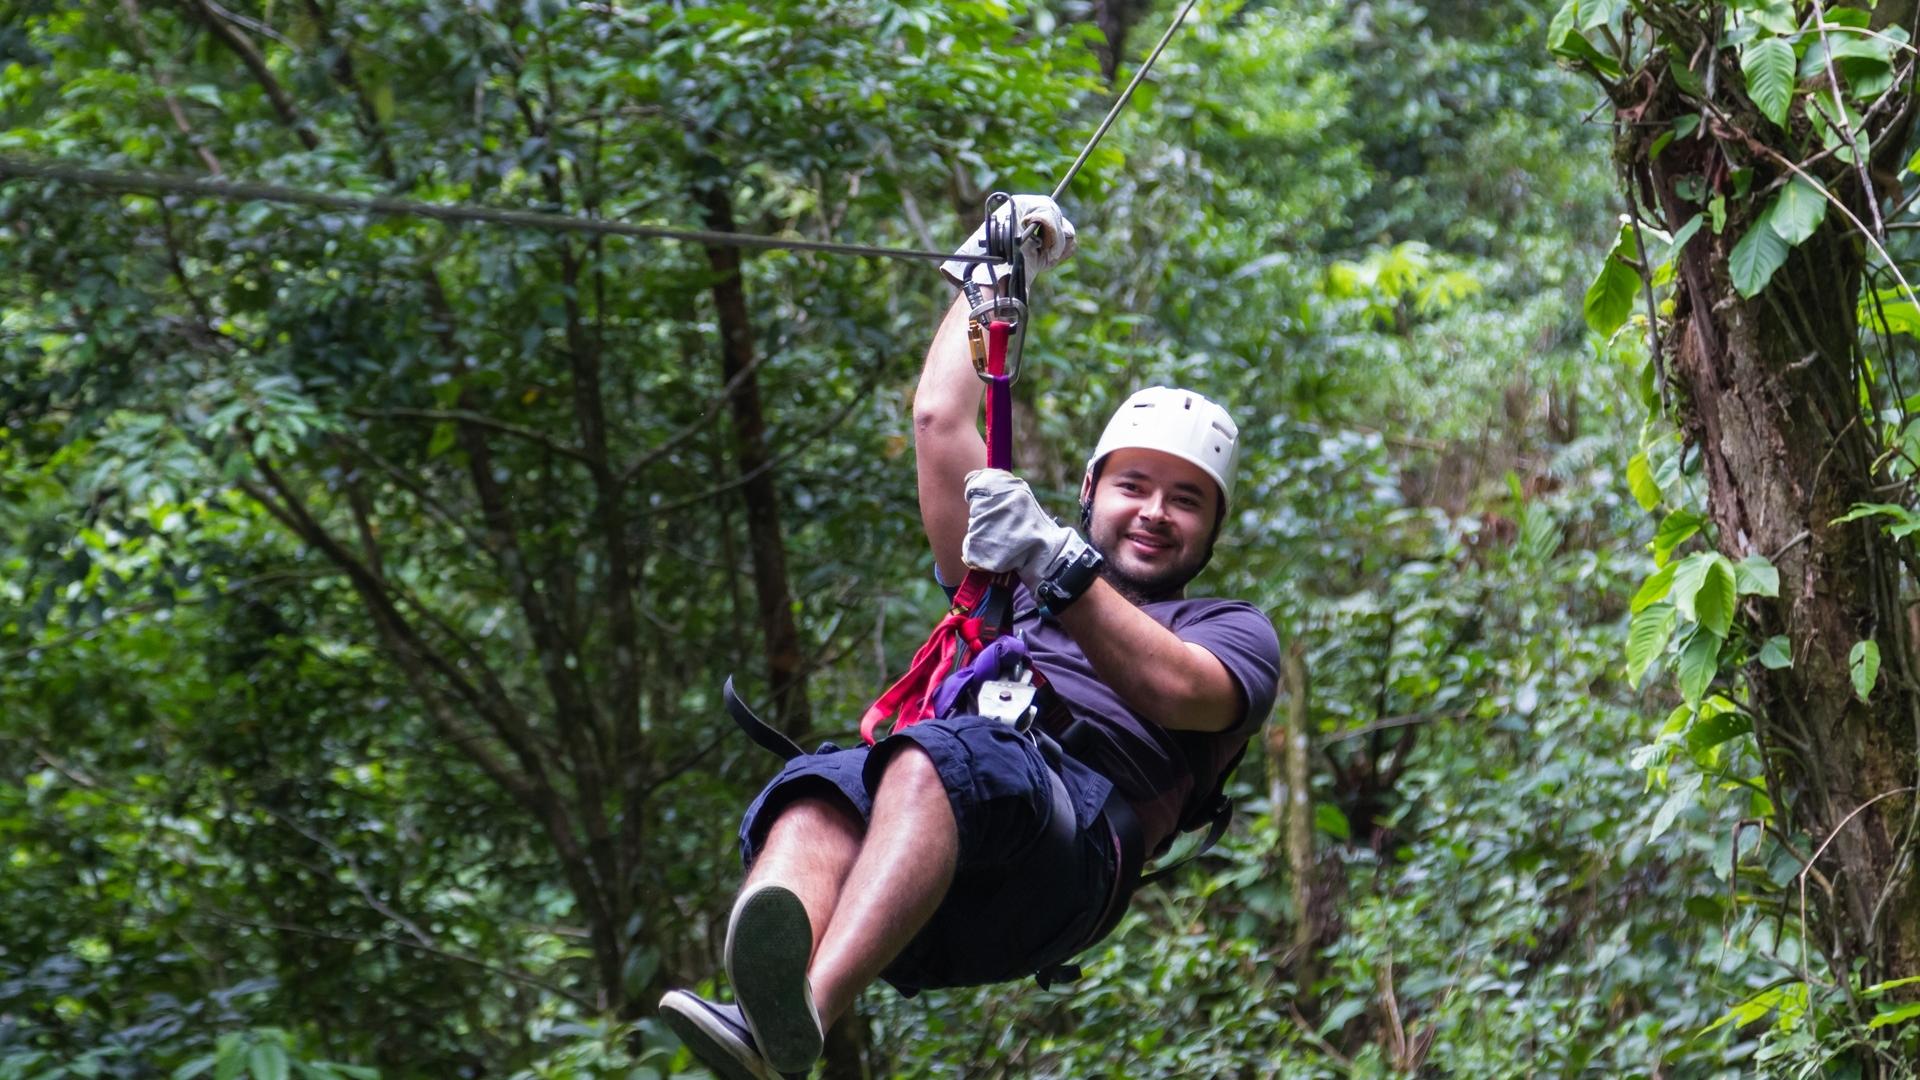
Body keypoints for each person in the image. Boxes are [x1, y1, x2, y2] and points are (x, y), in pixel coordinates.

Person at [659, 196, 1281, 1080]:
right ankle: (763, 998)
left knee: (938, 762)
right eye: (1135, 485)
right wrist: (991, 270)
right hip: (931, 883)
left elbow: (1183, 690)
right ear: (1093, 492)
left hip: (1065, 861)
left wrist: (1058, 569)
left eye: (1186, 501)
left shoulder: (1232, 630)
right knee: (819, 791)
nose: (1154, 512)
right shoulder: (1004, 583)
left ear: (1212, 532)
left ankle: (805, 1016)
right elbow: (939, 425)